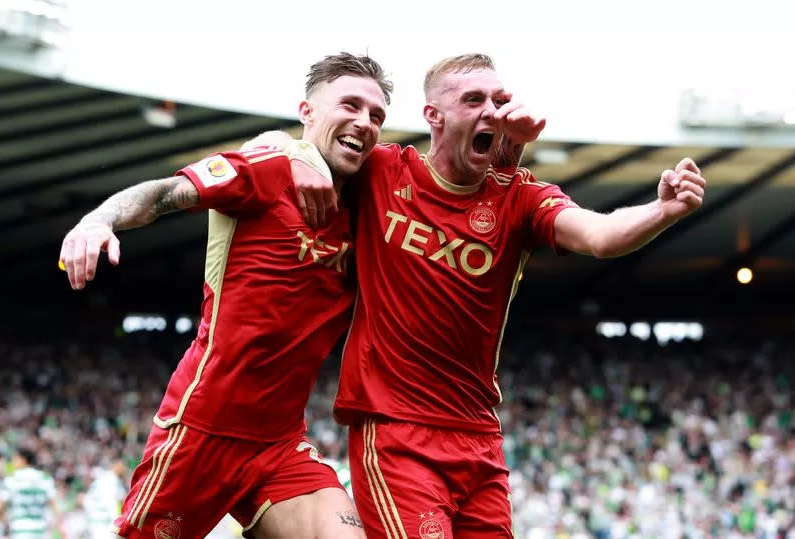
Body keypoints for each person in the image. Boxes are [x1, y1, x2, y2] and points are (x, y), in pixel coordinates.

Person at [261, 53, 707, 538]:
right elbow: (300, 146)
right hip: (395, 431)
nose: (491, 112)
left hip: (479, 440)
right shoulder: (385, 171)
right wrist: (296, 155)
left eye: (499, 100)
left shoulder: (519, 196)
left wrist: (661, 211)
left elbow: (601, 236)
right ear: (434, 116)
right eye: (473, 100)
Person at [58, 52, 392, 538]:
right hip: (201, 429)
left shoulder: (370, 203)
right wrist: (98, 220)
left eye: (377, 115)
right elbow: (163, 194)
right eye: (350, 105)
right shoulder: (266, 169)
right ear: (308, 112)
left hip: (281, 443)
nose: (364, 122)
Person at [0, 447, 66, 538]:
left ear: (23, 460)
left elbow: (0, 506)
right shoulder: (45, 479)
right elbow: (55, 506)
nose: (13, 462)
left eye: (15, 459)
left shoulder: (12, 479)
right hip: (40, 531)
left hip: (20, 530)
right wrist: (62, 527)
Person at [81, 459, 127, 539]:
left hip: (94, 522)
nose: (124, 469)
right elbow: (112, 504)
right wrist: (118, 526)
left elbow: (87, 500)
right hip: (104, 524)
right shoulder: (112, 480)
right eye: (122, 466)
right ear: (115, 466)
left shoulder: (103, 478)